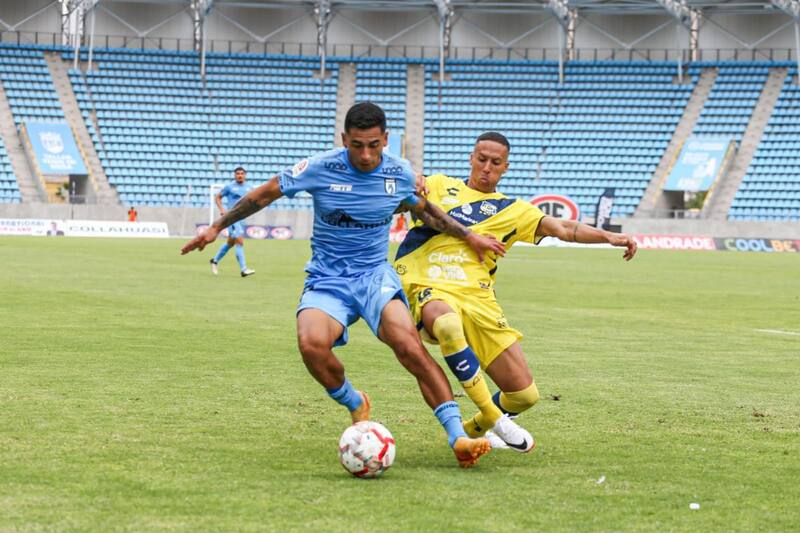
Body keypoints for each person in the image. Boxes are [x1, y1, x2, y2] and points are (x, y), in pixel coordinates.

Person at [181, 103, 507, 467]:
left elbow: (427, 211)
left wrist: (469, 236)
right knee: (311, 344)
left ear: (385, 139)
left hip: (373, 278)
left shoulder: (400, 173)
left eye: (373, 145)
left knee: (408, 345)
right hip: (327, 278)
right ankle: (355, 402)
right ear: (343, 140)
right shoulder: (320, 168)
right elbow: (263, 194)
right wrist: (216, 226)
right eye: (357, 145)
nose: (366, 155)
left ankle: (457, 436)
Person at [394, 131, 638, 451]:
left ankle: (472, 430)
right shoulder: (438, 185)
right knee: (446, 322)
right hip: (429, 285)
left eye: (496, 163)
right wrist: (408, 178)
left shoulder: (513, 210)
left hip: (479, 300)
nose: (486, 168)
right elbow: (395, 192)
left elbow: (564, 228)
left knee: (524, 395)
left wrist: (609, 237)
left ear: (506, 167)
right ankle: (495, 418)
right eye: (481, 159)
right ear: (471, 158)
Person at [210, 167, 256, 277]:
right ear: (234, 175)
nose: (240, 175)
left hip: (242, 217)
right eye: (238, 174)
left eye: (242, 173)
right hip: (232, 217)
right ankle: (243, 269)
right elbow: (218, 198)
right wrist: (222, 210)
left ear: (245, 175)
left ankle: (214, 261)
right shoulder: (229, 187)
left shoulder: (249, 188)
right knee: (239, 241)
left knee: (230, 243)